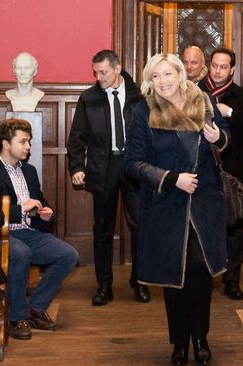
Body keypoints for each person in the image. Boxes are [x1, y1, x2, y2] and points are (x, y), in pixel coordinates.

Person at [125, 53, 228, 366]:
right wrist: (172, 179)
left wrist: (218, 137)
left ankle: (201, 339)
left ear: (181, 74)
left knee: (199, 271)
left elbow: (226, 141)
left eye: (167, 74)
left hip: (204, 202)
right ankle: (179, 341)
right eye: (155, 77)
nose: (162, 82)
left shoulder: (204, 101)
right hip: (166, 203)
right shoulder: (143, 111)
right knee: (175, 276)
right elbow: (133, 163)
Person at [0, 118, 78, 340]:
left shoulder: (29, 170)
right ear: (5, 143)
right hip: (2, 234)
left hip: (30, 231)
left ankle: (35, 308)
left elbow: (39, 200)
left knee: (68, 254)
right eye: (23, 142)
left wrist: (46, 211)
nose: (28, 147)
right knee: (20, 253)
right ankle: (17, 317)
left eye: (28, 142)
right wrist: (22, 208)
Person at [67, 50, 148, 305]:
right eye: (96, 72)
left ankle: (141, 282)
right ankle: (104, 286)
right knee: (102, 229)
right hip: (103, 166)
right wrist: (77, 167)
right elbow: (76, 138)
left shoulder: (139, 96)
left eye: (103, 72)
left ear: (117, 68)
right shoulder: (88, 98)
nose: (98, 77)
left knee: (141, 226)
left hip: (135, 164)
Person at [198, 47, 243, 300]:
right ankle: (203, 278)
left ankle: (232, 281)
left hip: (233, 169)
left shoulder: (242, 95)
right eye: (214, 65)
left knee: (234, 226)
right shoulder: (195, 91)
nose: (217, 71)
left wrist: (231, 113)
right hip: (201, 168)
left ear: (232, 70)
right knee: (202, 225)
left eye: (223, 67)